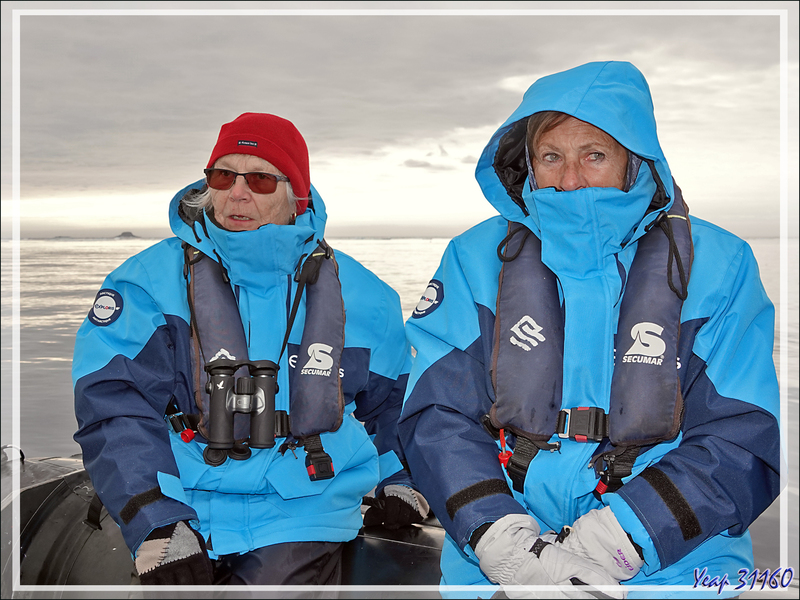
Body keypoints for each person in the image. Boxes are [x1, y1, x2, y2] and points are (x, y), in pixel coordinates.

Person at [399, 61, 781, 597]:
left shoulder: (723, 265)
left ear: (635, 161)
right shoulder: (472, 258)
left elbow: (745, 432)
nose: (570, 179)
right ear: (527, 164)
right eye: (551, 156)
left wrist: (625, 535)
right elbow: (436, 412)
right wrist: (497, 536)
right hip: (498, 564)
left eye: (594, 155)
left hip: (670, 570)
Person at [72, 112, 429, 586]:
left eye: (260, 179)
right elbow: (114, 405)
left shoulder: (365, 299)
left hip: (304, 506)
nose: (237, 193)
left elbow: (397, 406)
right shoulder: (145, 284)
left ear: (295, 195)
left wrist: (402, 480)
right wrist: (153, 515)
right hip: (181, 495)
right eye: (223, 175)